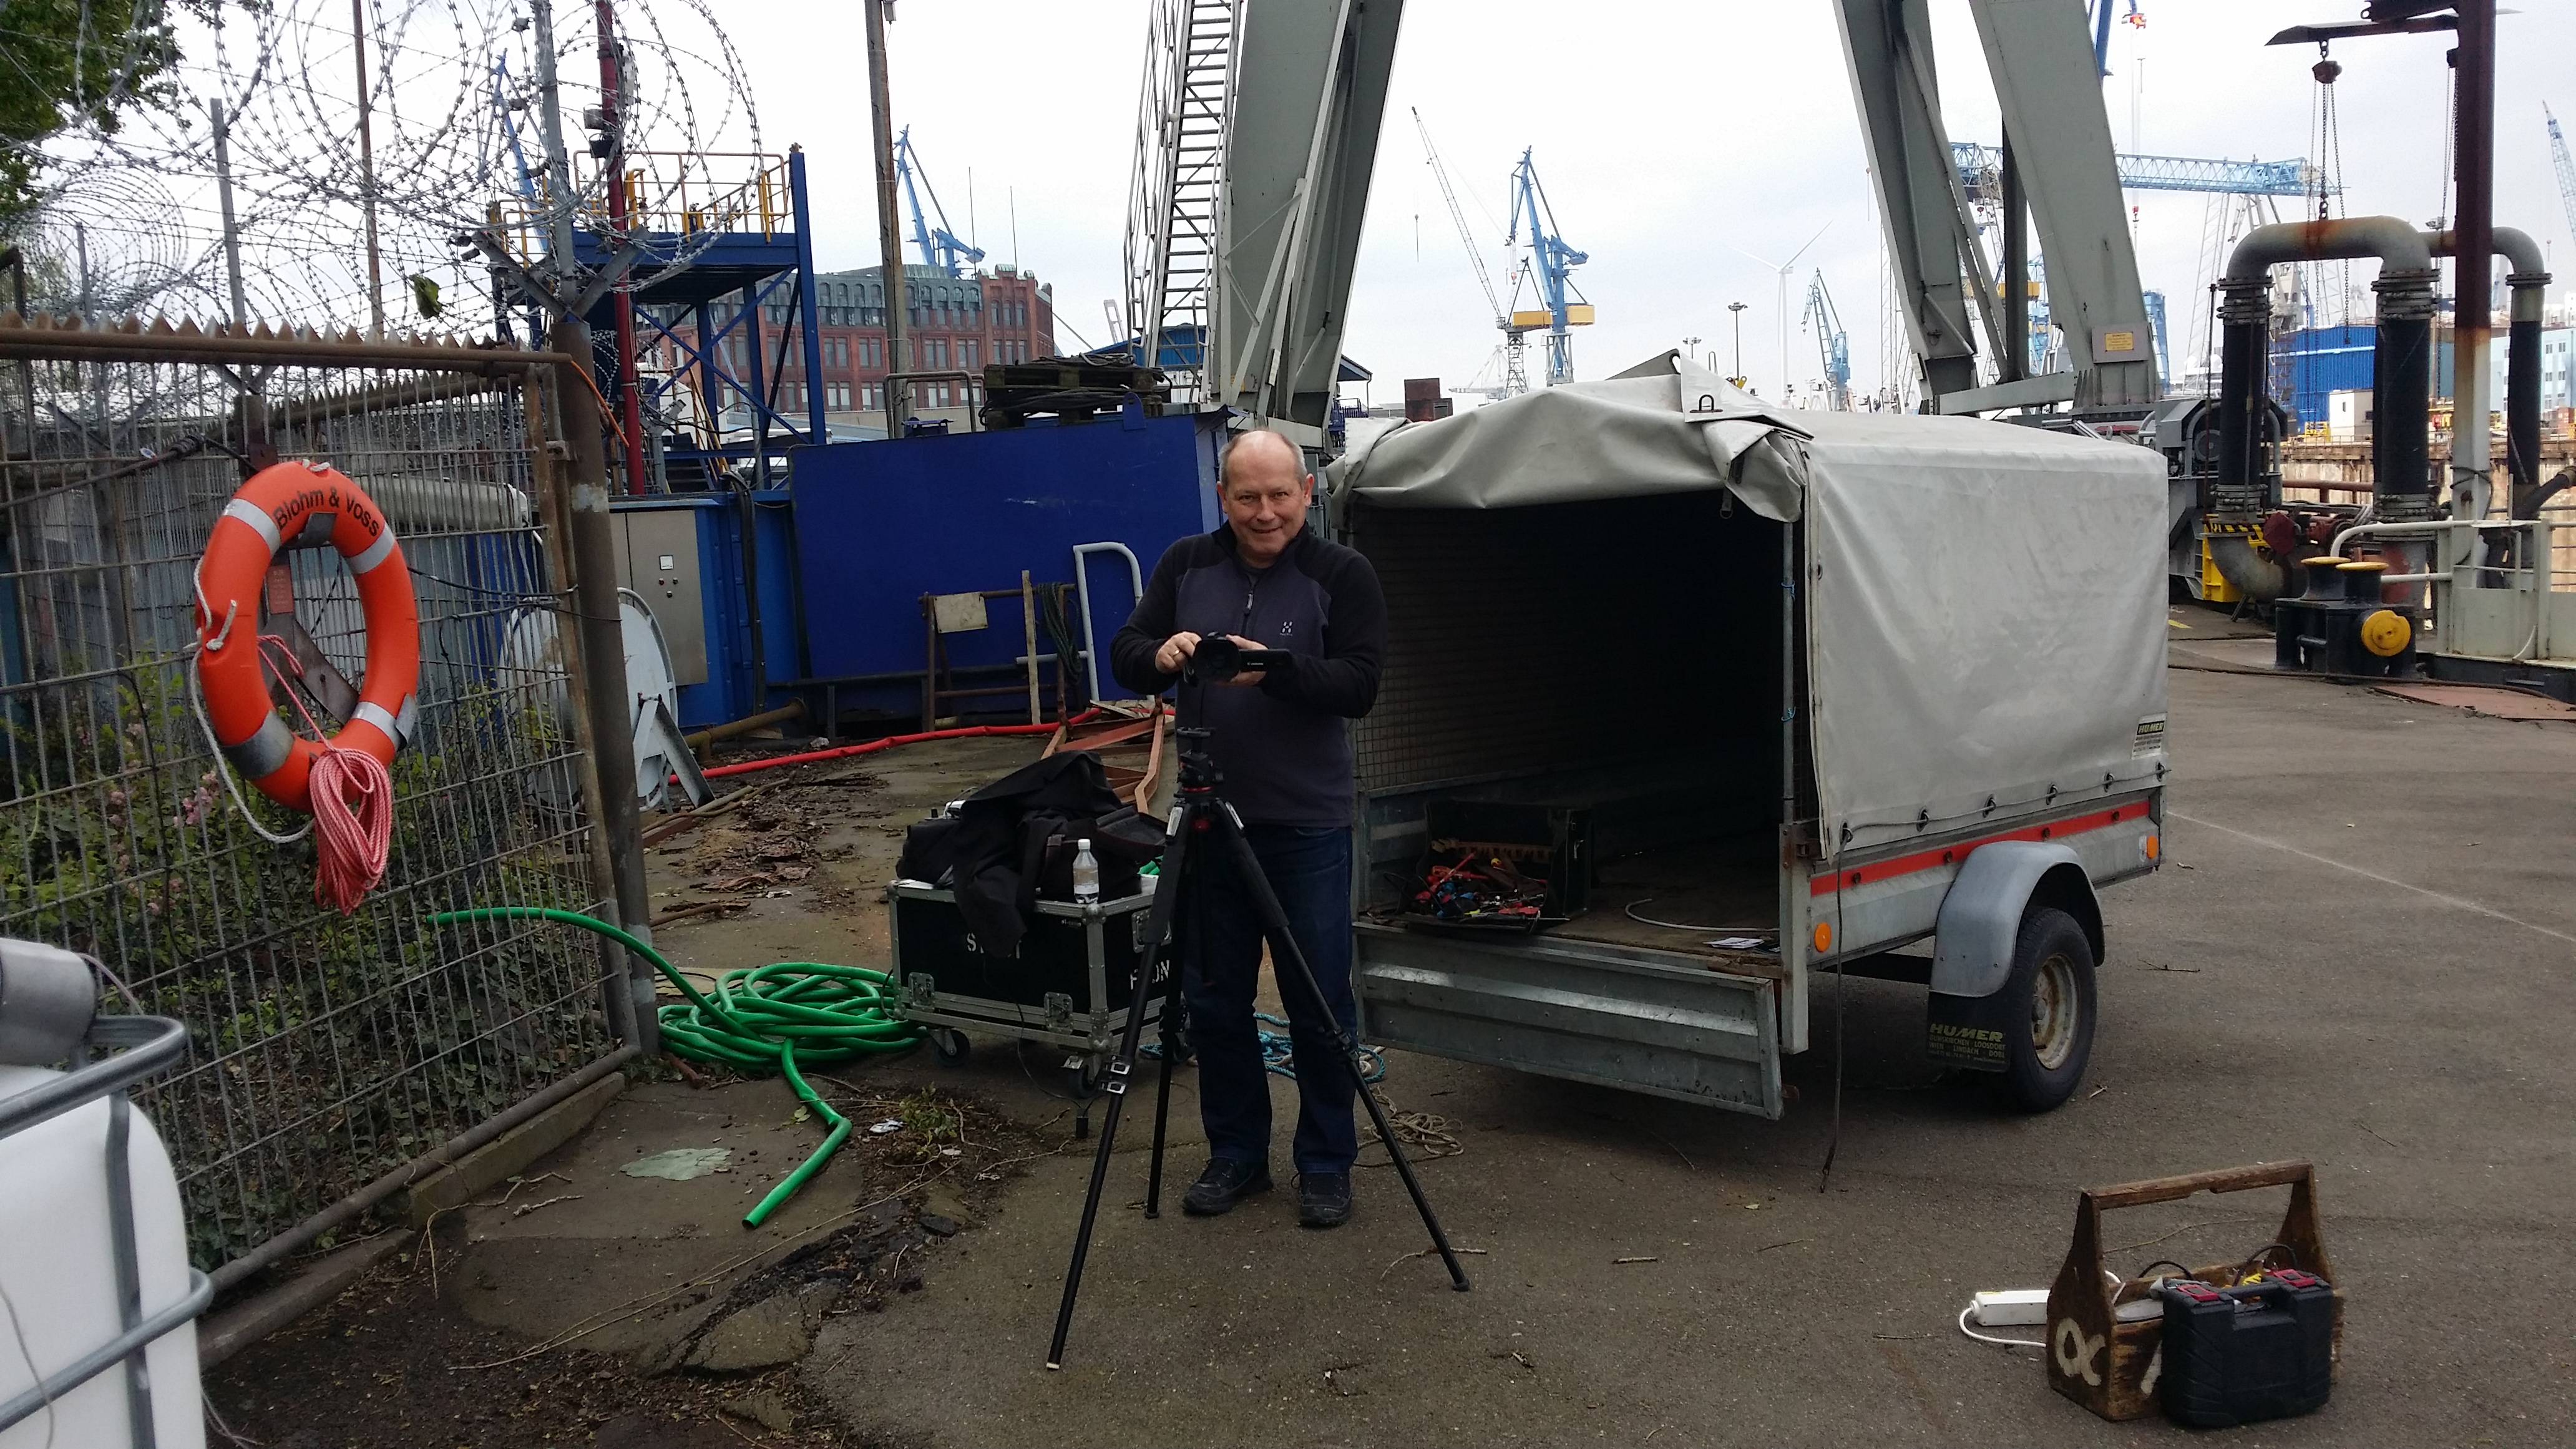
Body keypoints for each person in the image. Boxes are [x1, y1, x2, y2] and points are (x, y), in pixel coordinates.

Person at [1109, 428, 1386, 1229]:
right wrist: (1162, 654)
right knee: (1214, 997)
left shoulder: (1344, 573)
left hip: (1305, 822)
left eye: (1279, 496)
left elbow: (1361, 685)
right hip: (1205, 817)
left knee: (1318, 1001)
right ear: (1223, 497)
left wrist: (1273, 668)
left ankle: (1326, 1164)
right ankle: (1236, 1155)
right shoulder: (1186, 564)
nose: (1265, 513)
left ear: (1307, 491)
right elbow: (1127, 652)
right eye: (1247, 497)